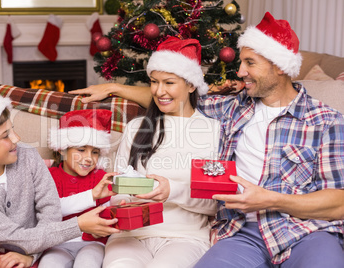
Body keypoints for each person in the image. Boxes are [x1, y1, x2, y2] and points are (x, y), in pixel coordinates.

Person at [72, 12, 344, 267]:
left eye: (250, 63)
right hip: (241, 232)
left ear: (280, 67)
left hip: (306, 229)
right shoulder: (230, 109)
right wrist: (113, 88)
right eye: (241, 62)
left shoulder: (325, 121)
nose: (240, 72)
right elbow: (175, 99)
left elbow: (339, 202)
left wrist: (270, 199)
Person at [0, 91, 120, 268]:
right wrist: (79, 225)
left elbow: (50, 209)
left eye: (13, 130)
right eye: (6, 136)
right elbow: (13, 236)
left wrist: (32, 255)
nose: (17, 139)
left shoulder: (28, 156)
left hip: (35, 244)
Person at [103, 37, 220, 268]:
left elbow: (216, 204)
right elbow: (116, 192)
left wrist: (171, 191)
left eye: (169, 82)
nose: (159, 91)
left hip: (185, 238)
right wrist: (123, 201)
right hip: (130, 236)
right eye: (154, 82)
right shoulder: (137, 128)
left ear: (191, 84)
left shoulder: (212, 132)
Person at [38, 109, 117, 268]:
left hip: (93, 242)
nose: (89, 158)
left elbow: (109, 210)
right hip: (57, 244)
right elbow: (46, 212)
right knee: (48, 264)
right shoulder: (48, 177)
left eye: (95, 152)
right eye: (81, 150)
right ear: (61, 149)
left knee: (87, 263)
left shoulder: (101, 177)